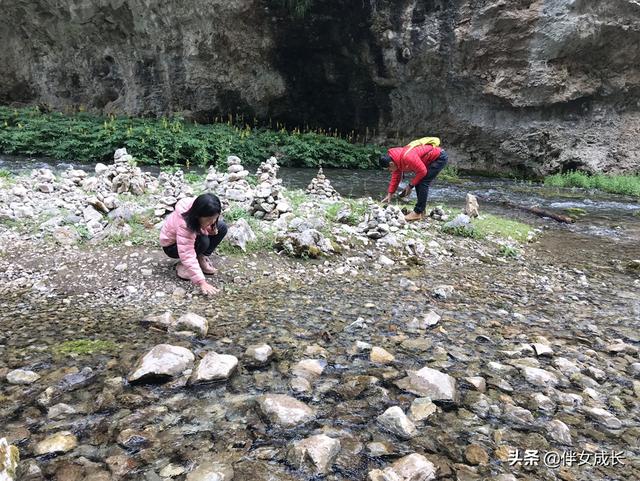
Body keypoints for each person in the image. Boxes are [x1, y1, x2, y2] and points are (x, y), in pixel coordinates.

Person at [159, 193, 227, 295]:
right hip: (172, 246)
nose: (212, 221)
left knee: (222, 227)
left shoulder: (199, 207)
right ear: (198, 215)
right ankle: (183, 264)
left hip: (189, 236)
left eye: (214, 218)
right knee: (204, 241)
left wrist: (211, 227)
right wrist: (202, 282)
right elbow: (187, 253)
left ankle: (201, 257)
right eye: (209, 219)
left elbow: (207, 224)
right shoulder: (184, 224)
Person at [379, 139, 448, 221]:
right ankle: (421, 212)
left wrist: (410, 186)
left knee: (422, 182)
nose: (389, 171)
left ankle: (417, 212)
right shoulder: (395, 159)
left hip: (439, 157)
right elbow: (396, 176)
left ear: (391, 164)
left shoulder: (407, 157)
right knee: (419, 181)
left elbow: (422, 172)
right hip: (429, 159)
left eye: (388, 169)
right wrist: (390, 193)